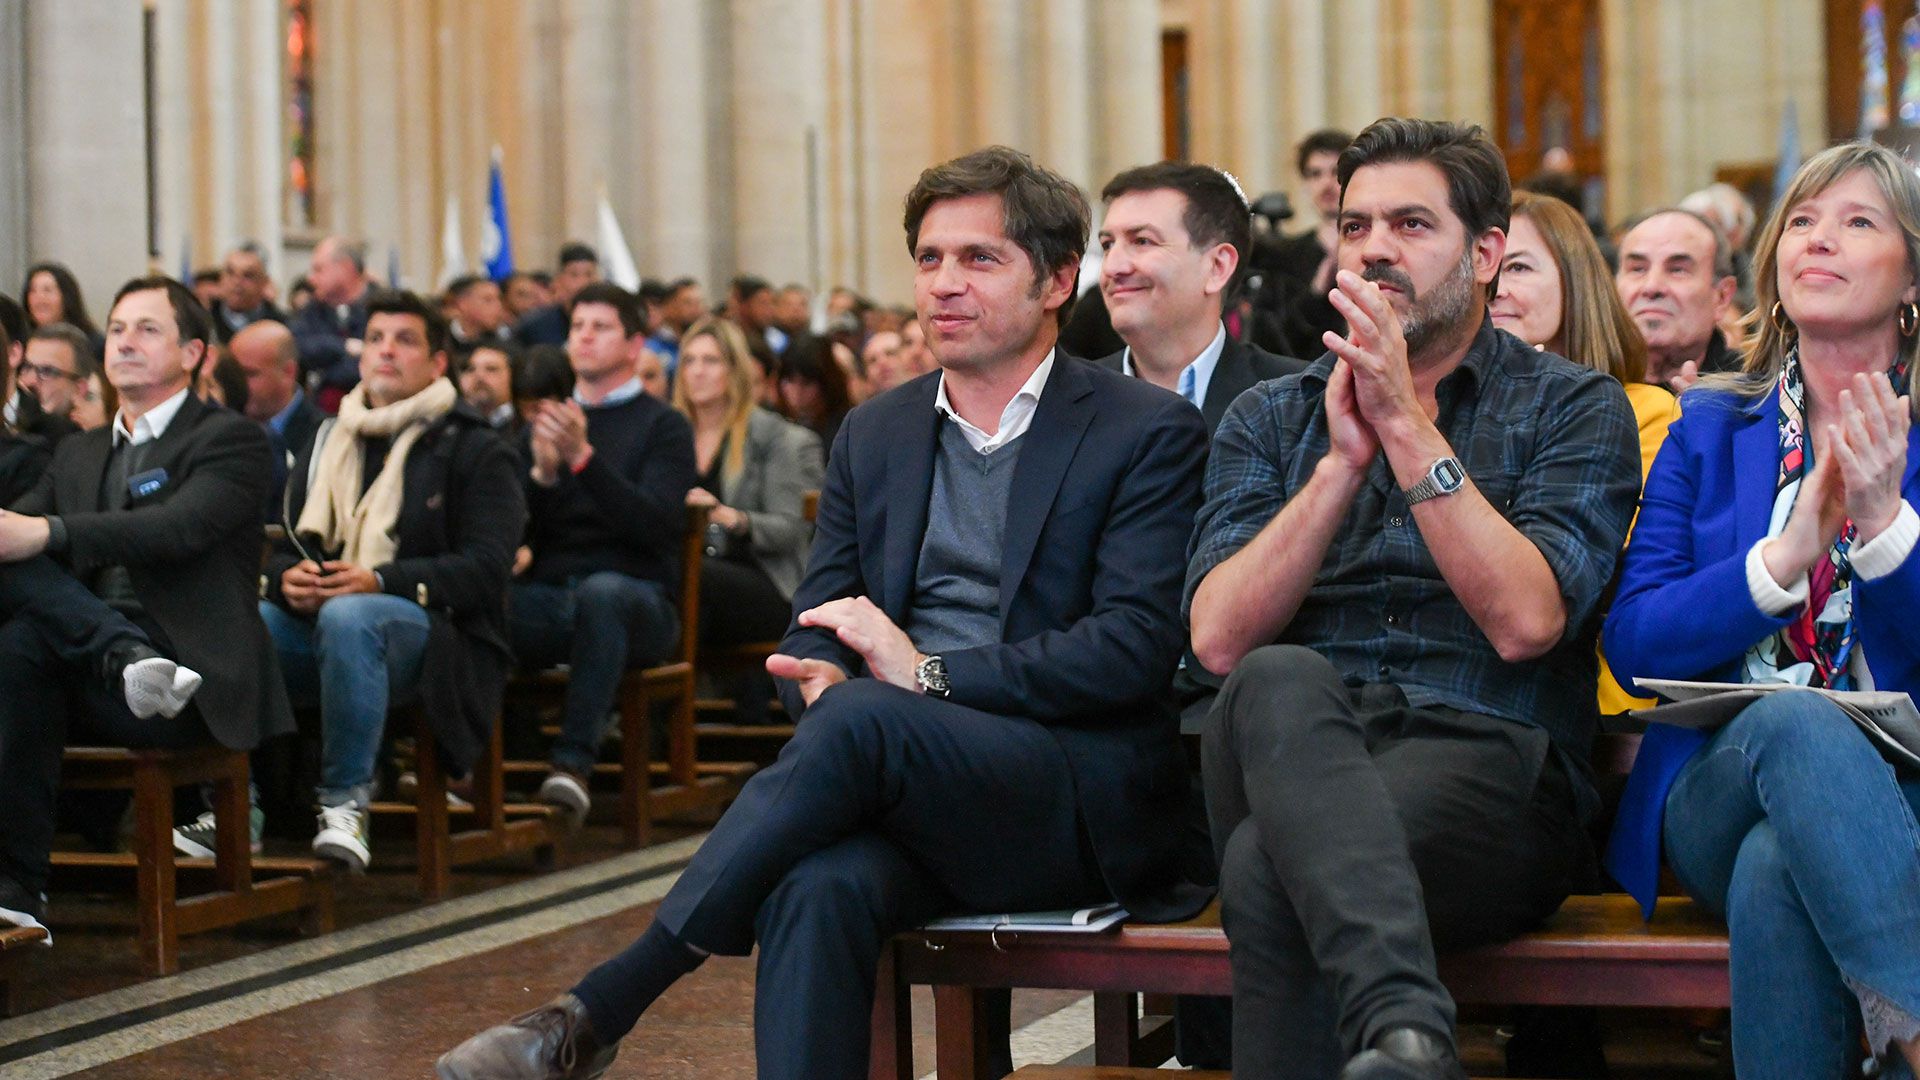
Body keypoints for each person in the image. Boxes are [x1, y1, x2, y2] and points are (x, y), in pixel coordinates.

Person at [439, 144, 1210, 1080]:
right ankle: (596, 1019)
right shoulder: (875, 431)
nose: (944, 285)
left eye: (979, 259)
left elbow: (1130, 651)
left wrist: (919, 675)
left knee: (862, 718)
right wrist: (820, 666)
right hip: (903, 781)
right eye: (929, 259)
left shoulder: (1142, 428)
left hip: (1064, 792)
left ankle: (603, 1006)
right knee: (811, 884)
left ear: (1056, 279)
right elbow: (821, 608)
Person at [1186, 118, 1640, 1079]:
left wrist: (1403, 426)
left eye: (1409, 224)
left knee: (1267, 873)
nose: (1375, 247)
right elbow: (1218, 640)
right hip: (1294, 740)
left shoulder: (1573, 406)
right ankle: (1407, 1032)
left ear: (1484, 255)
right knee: (1272, 676)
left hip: (1490, 757)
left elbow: (1527, 625)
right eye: (1355, 227)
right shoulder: (1270, 414)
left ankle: (1404, 1035)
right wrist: (1337, 469)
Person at [1605, 141, 1920, 1080]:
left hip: (1904, 786)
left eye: (1859, 222)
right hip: (1719, 779)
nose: (1819, 240)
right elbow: (1633, 644)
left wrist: (1884, 528)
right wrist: (1778, 562)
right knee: (1790, 721)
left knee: (1776, 870)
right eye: (1805, 222)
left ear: (1913, 276)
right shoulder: (1710, 424)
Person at [0, 275, 288, 932]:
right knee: (17, 638)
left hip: (186, 677)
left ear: (194, 354)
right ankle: (18, 889)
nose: (126, 341)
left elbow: (175, 529)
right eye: (119, 327)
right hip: (90, 667)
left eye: (148, 329)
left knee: (24, 627)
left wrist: (46, 531)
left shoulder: (230, 439)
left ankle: (18, 878)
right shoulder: (80, 449)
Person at [262, 289, 525, 872]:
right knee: (247, 623)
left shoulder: (476, 446)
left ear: (437, 364)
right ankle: (235, 807)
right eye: (376, 339)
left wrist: (380, 580)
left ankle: (345, 803)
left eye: (405, 341)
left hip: (440, 639)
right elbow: (282, 543)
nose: (386, 352)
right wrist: (286, 580)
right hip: (328, 621)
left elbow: (485, 569)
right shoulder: (329, 436)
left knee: (351, 617)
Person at [507, 282, 695, 821]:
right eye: (577, 327)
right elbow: (521, 537)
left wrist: (583, 459)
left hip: (641, 603)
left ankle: (571, 766)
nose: (583, 338)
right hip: (555, 596)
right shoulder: (546, 424)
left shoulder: (663, 425)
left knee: (603, 594)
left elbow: (655, 527)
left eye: (600, 327)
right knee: (479, 603)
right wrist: (542, 475)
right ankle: (471, 768)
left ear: (635, 345)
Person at [1497, 188, 1682, 718]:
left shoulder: (1643, 409)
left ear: (1575, 283)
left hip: (1589, 687)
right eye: (1482, 269)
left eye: (1519, 268)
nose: (1495, 289)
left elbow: (1591, 563)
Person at [672, 317, 824, 723]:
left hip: (767, 583)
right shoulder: (670, 433)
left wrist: (729, 517)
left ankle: (662, 725)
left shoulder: (776, 437)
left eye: (711, 361)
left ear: (734, 370)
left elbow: (790, 529)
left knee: (692, 577)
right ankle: (669, 727)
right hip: (693, 578)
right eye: (689, 360)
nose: (697, 371)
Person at [1097, 160, 1305, 433]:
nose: (1113, 267)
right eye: (1107, 245)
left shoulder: (1297, 399)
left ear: (1217, 267)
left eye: (1142, 241)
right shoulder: (1062, 400)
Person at [1615, 208, 1742, 392]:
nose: (1652, 287)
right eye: (1637, 269)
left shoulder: (1756, 398)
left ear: (1722, 297)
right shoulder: (1581, 390)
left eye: (1677, 270)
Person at [1253, 129, 1354, 357]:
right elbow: (1273, 341)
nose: (1326, 184)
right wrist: (1319, 286)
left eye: (1336, 173)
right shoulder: (1284, 255)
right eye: (1315, 174)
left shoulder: (1375, 247)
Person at [229, 321, 323, 516]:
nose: (236, 384)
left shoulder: (323, 437)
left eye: (249, 374)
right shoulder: (223, 428)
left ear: (288, 372)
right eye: (232, 374)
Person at [290, 236, 373, 405]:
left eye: (318, 269)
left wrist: (325, 372)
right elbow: (297, 346)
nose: (311, 279)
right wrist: (344, 346)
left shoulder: (381, 307)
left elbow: (369, 365)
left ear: (345, 268)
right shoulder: (313, 309)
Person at [20, 323, 97, 442]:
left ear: (79, 388)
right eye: (26, 367)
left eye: (47, 371)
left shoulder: (91, 449)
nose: (29, 381)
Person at [774, 335, 852, 451]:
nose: (796, 392)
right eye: (789, 380)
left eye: (806, 383)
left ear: (827, 384)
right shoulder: (772, 424)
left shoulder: (845, 430)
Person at [516, 243, 600, 347]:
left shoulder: (607, 323)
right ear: (559, 279)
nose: (582, 283)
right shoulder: (534, 326)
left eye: (589, 274)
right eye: (574, 275)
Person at [209, 242, 287, 344]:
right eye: (230, 273)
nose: (236, 282)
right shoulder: (204, 323)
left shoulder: (281, 327)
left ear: (264, 282)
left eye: (248, 275)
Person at [21, 261, 101, 344]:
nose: (39, 297)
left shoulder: (93, 344)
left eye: (47, 290)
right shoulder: (21, 343)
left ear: (66, 297)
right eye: (32, 291)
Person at [457, 340, 524, 433]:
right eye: (471, 369)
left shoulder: (525, 425)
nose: (479, 376)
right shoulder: (454, 426)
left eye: (491, 369)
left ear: (513, 377)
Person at [446, 275, 512, 349]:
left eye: (499, 299)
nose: (498, 306)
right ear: (463, 304)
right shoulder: (442, 337)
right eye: (488, 300)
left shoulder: (507, 341)